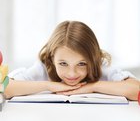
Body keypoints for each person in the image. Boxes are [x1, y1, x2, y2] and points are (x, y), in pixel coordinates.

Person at [5, 20, 140, 100]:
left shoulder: (99, 66)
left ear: (92, 59)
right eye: (63, 63)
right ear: (52, 58)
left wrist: (93, 86)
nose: (72, 74)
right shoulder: (44, 67)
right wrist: (49, 85)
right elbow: (5, 87)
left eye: (81, 64)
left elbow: (136, 89)